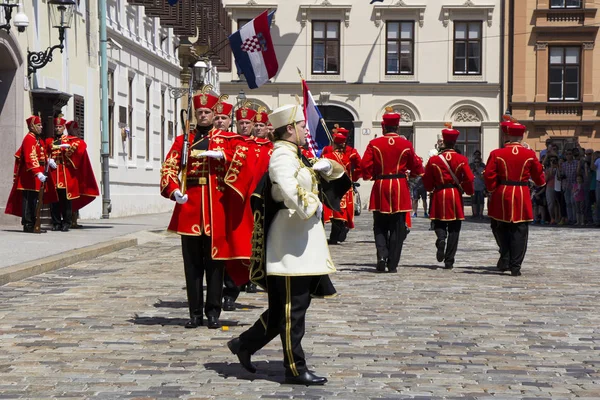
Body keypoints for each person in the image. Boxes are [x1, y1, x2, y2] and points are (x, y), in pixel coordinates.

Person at [227, 103, 347, 385]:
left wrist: (328, 166)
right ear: (290, 129)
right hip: (290, 242)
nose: (307, 130)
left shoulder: (297, 153)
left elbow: (325, 175)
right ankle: (295, 367)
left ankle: (244, 343)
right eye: (303, 126)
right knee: (293, 309)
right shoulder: (282, 155)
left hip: (299, 241)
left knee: (286, 307)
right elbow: (286, 185)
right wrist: (312, 204)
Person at [160, 88, 248, 329]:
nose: (204, 116)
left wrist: (224, 157)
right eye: (199, 112)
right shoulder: (183, 140)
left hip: (216, 207)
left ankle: (213, 312)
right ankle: (195, 312)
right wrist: (173, 190)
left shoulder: (227, 141)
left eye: (208, 112)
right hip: (190, 206)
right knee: (192, 265)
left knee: (215, 264)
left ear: (214, 113)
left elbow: (244, 161)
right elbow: (169, 167)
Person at [360, 107, 424, 273]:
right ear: (397, 127)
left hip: (381, 186)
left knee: (379, 225)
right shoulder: (405, 144)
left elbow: (365, 166)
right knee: (397, 225)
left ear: (384, 127)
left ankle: (381, 255)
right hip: (399, 186)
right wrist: (412, 174)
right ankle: (393, 263)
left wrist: (371, 176)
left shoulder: (374, 143)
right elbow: (416, 166)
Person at [483, 122, 545, 276]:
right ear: (522, 136)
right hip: (521, 192)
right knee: (520, 230)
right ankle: (515, 266)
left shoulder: (497, 153)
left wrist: (492, 189)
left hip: (502, 192)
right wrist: (540, 183)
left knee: (501, 227)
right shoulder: (529, 154)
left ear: (507, 135)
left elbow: (489, 175)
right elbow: (538, 175)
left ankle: (505, 257)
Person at [422, 124, 474, 270]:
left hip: (439, 193)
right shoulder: (462, 159)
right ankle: (449, 260)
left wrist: (430, 188)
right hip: (454, 194)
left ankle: (440, 238)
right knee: (454, 228)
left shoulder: (434, 160)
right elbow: (469, 178)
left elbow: (427, 178)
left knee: (438, 222)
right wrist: (468, 190)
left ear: (444, 142)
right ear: (455, 142)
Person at [4, 115, 56, 233]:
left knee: (35, 200)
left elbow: (40, 154)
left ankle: (33, 223)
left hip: (36, 174)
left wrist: (48, 161)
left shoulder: (37, 139)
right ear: (32, 126)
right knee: (28, 200)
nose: (41, 127)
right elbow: (30, 157)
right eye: (38, 125)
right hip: (29, 175)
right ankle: (28, 224)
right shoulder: (29, 139)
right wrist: (37, 173)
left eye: (41, 125)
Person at [46, 119, 99, 232]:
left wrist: (68, 149)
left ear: (63, 128)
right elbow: (44, 152)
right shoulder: (49, 141)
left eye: (60, 127)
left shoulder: (70, 141)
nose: (57, 129)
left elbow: (80, 147)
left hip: (66, 174)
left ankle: (66, 222)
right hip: (54, 173)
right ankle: (56, 223)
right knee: (54, 200)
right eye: (56, 127)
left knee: (66, 200)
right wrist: (48, 160)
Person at [321, 128, 362, 244]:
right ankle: (339, 231)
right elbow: (360, 166)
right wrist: (354, 178)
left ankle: (335, 235)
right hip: (345, 185)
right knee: (342, 211)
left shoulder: (327, 153)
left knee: (332, 210)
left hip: (331, 185)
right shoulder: (350, 153)